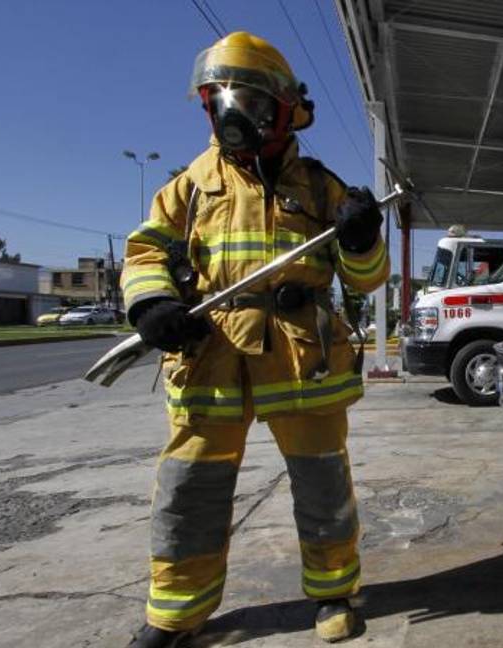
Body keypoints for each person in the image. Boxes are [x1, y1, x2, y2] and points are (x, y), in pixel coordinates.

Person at [122, 32, 389, 647]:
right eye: (221, 98)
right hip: (209, 354)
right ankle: (177, 615)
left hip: (303, 357)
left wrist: (358, 238)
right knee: (190, 490)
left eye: (248, 99)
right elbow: (145, 252)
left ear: (284, 109)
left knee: (323, 486)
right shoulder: (188, 186)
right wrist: (153, 303)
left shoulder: (323, 188)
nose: (233, 112)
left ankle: (334, 593)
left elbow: (367, 279)